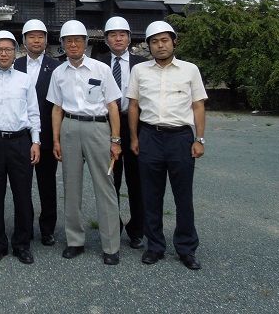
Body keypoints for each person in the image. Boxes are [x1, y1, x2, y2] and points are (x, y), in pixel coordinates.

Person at [126, 21, 207, 270]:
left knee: (183, 196)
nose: (160, 46)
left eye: (164, 40)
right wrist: (135, 138)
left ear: (174, 42)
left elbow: (198, 105)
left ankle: (186, 248)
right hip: (149, 135)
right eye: (154, 41)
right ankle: (155, 246)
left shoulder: (190, 70)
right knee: (151, 195)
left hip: (181, 137)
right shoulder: (140, 71)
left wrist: (199, 139)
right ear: (148, 45)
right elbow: (133, 106)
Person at [48, 20, 123, 265]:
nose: (73, 44)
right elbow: (57, 109)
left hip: (98, 127)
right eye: (68, 41)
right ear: (62, 45)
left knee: (105, 186)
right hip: (69, 126)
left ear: (86, 43)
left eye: (77, 40)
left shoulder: (100, 69)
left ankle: (111, 245)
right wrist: (56, 139)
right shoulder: (59, 72)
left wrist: (115, 139)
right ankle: (74, 241)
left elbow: (113, 106)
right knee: (71, 186)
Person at [0, 30, 41, 264]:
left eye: (8, 49)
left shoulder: (24, 79)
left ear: (15, 52)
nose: (4, 53)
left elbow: (33, 112)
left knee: (22, 196)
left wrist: (35, 141)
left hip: (21, 142)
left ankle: (22, 244)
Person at [99, 16, 147, 250]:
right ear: (106, 39)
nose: (118, 38)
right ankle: (113, 226)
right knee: (111, 180)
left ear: (129, 38)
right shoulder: (98, 63)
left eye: (122, 34)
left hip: (136, 125)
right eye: (113, 35)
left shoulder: (143, 63)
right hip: (106, 126)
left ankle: (137, 229)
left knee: (138, 180)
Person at [13, 19, 61, 247]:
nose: (36, 40)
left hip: (48, 135)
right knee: (22, 184)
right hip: (21, 135)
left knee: (47, 183)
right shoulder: (14, 65)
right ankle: (25, 226)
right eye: (31, 36)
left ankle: (48, 227)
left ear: (46, 40)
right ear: (23, 41)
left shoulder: (57, 67)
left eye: (40, 36)